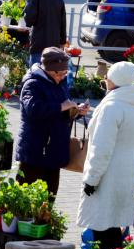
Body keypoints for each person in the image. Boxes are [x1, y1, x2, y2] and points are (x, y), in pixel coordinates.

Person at [77, 62, 134, 249]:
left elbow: (102, 148)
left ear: (114, 80)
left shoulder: (112, 106)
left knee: (102, 224)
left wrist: (92, 179)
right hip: (128, 167)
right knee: (114, 223)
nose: (105, 80)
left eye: (107, 76)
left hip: (108, 171)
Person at [16, 47, 88, 198]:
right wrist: (62, 106)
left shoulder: (60, 83)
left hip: (54, 151)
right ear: (49, 70)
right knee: (25, 199)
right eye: (60, 73)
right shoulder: (32, 83)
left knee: (49, 198)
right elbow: (33, 109)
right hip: (35, 151)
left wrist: (76, 111)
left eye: (65, 73)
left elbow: (61, 114)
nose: (62, 77)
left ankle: (44, 221)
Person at [23, 0, 66, 67]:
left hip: (38, 44)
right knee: (50, 75)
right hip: (54, 45)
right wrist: (62, 42)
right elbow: (63, 23)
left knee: (36, 74)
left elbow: (29, 20)